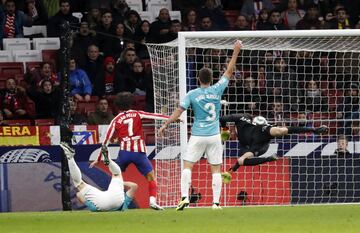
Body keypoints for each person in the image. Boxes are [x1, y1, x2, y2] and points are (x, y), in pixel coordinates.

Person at [159, 40, 243, 210]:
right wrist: (236, 51)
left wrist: (166, 124)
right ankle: (216, 203)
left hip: (197, 134)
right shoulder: (217, 89)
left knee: (188, 166)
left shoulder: (192, 93)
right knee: (216, 169)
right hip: (214, 135)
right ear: (212, 79)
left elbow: (179, 111)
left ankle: (184, 198)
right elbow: (229, 70)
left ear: (198, 79)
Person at [91, 92, 172, 210]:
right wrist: (173, 119)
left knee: (115, 177)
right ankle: (152, 201)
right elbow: (155, 116)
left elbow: (106, 141)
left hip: (124, 153)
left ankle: (109, 202)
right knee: (151, 178)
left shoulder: (116, 119)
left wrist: (97, 159)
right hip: (139, 153)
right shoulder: (137, 113)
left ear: (118, 105)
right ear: (131, 102)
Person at [220, 114, 329, 183]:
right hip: (251, 143)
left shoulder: (257, 128)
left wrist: (224, 129)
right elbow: (223, 119)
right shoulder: (243, 119)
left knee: (279, 131)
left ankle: (268, 159)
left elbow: (222, 119)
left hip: (261, 144)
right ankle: (268, 159)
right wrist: (232, 171)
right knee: (241, 160)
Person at [59, 142, 138, 212]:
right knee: (116, 175)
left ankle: (70, 157)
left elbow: (79, 195)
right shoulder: (123, 205)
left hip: (102, 202)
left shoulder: (123, 203)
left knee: (79, 183)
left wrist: (120, 182)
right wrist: (121, 182)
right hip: (116, 202)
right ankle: (109, 161)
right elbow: (134, 186)